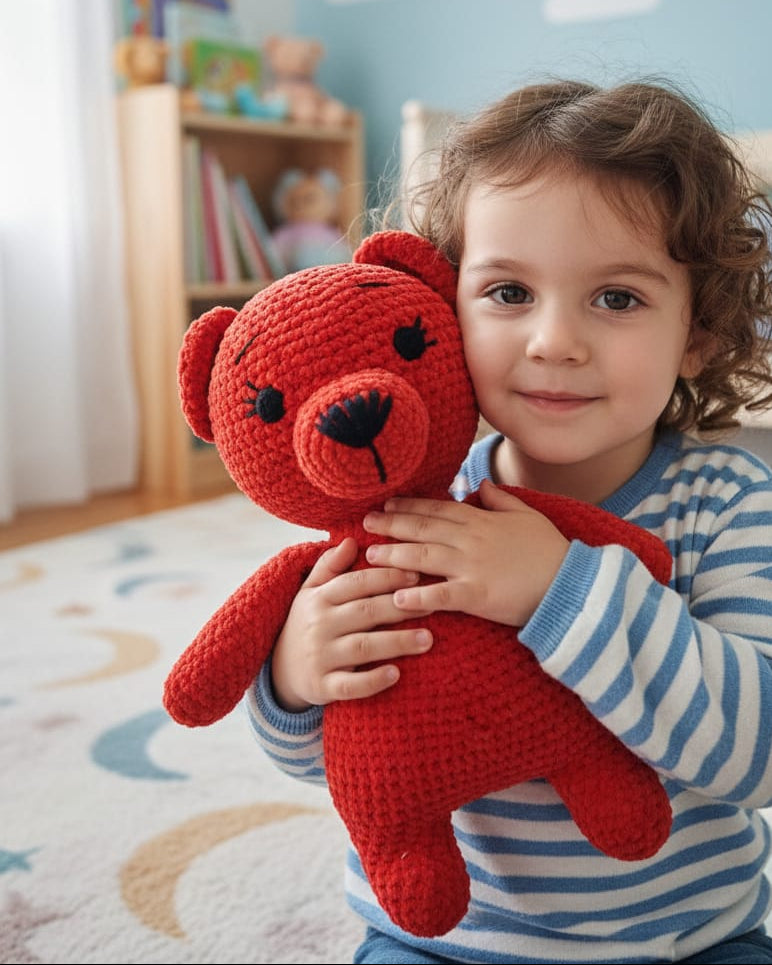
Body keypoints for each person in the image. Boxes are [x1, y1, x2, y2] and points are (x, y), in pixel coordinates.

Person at [245, 77, 772, 964]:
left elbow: (756, 752)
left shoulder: (728, 502)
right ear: (444, 303)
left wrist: (558, 588)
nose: (553, 340)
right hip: (438, 940)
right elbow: (344, 761)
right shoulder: (411, 501)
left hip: (685, 940)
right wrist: (297, 678)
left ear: (699, 333)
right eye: (508, 293)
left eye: (617, 298)